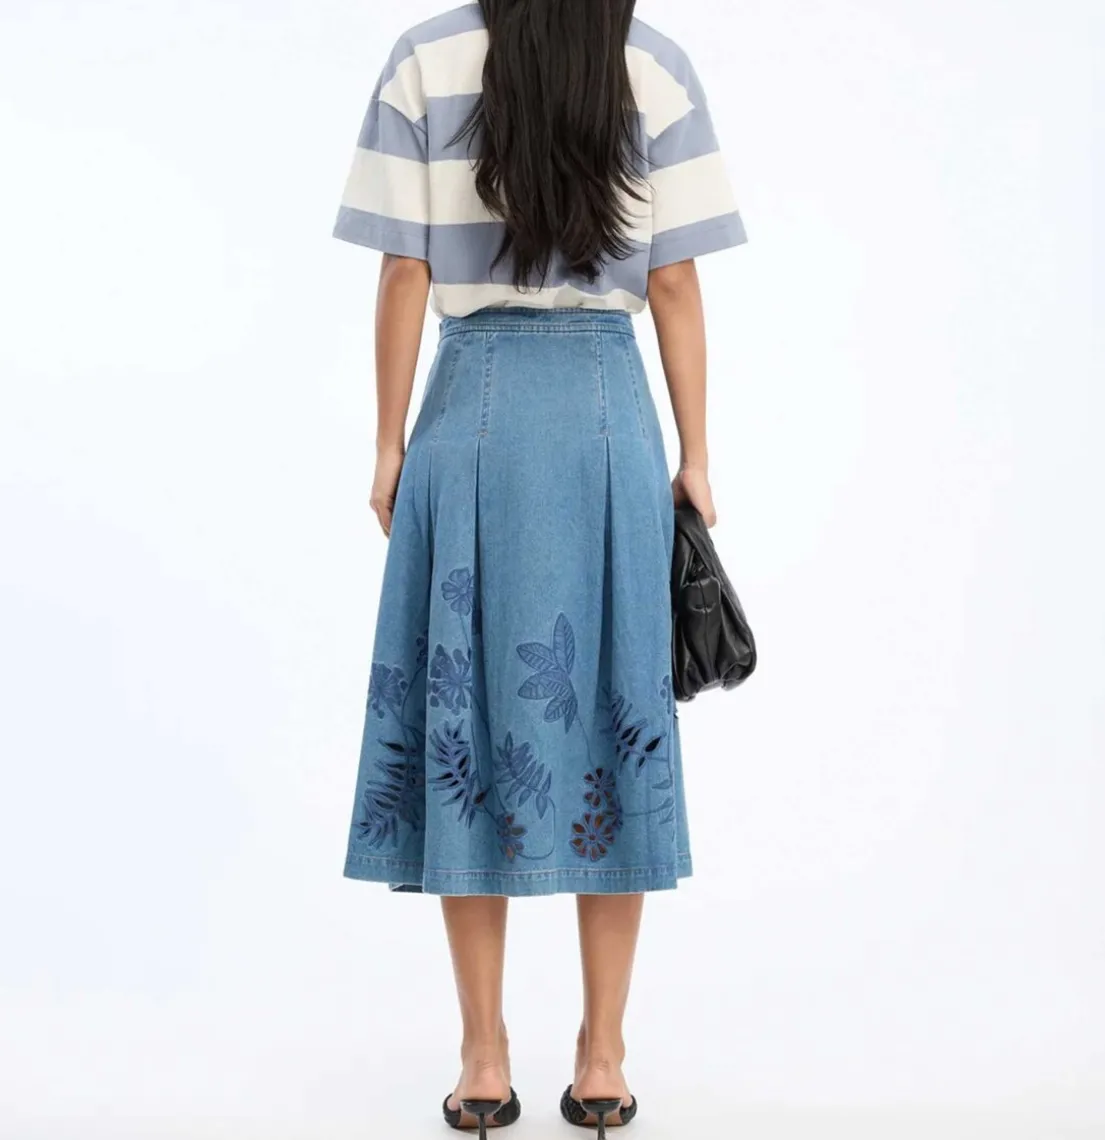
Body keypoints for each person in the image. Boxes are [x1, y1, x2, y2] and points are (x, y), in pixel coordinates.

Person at [331, 1, 745, 1135]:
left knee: (465, 712)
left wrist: (387, 444)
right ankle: (603, 1061)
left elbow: (405, 269)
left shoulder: (425, 58)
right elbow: (673, 281)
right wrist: (696, 455)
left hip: (470, 413)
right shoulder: (652, 61)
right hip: (610, 417)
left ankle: (482, 1060)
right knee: (617, 711)